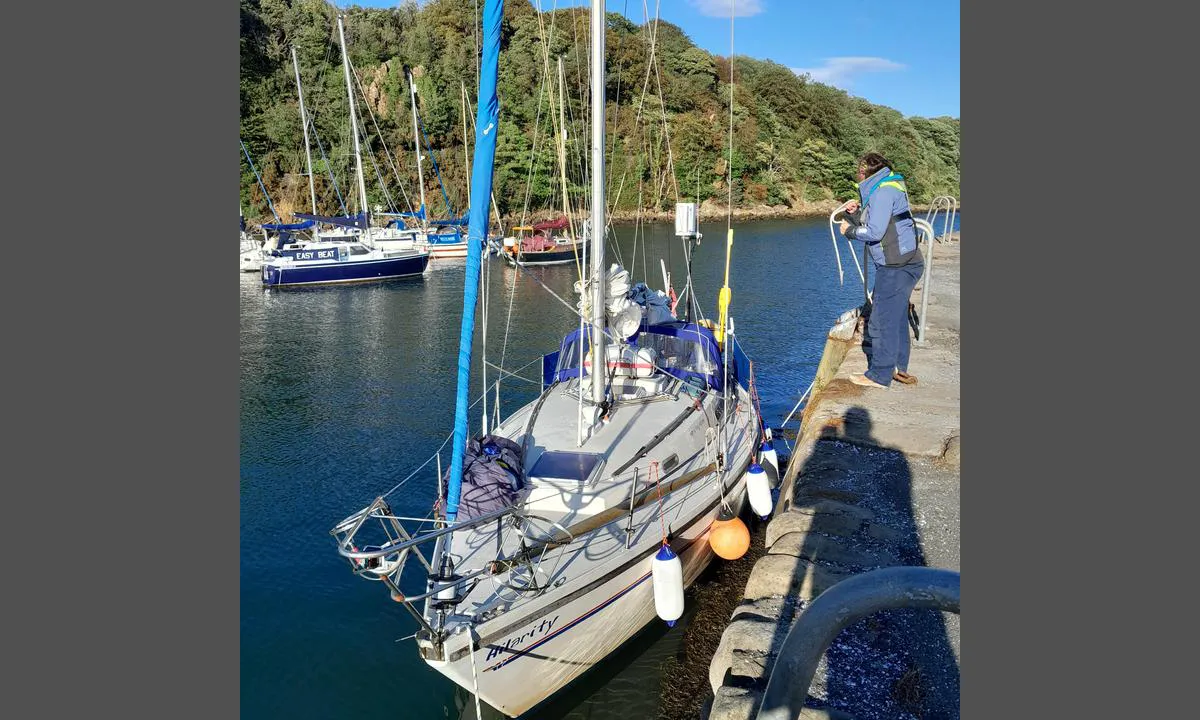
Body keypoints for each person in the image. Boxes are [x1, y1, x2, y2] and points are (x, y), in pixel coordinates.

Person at [839, 152, 925, 389]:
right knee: (896, 317)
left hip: (896, 266)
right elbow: (880, 224)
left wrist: (849, 231)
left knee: (881, 320)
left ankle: (879, 374)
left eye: (859, 171)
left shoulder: (883, 192)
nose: (857, 175)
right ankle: (899, 368)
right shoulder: (887, 188)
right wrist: (854, 214)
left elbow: (874, 233)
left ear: (866, 172)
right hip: (906, 262)